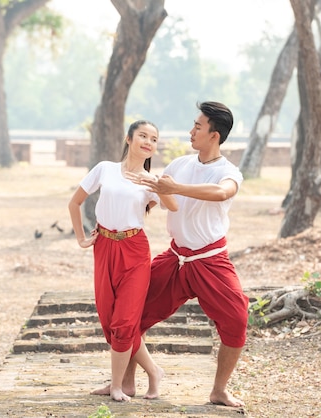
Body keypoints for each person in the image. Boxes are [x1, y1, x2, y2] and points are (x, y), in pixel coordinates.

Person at [125, 101, 249, 407]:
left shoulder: (228, 172)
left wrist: (176, 188)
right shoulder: (179, 164)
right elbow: (150, 201)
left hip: (211, 260)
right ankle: (126, 381)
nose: (191, 131)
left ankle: (219, 390)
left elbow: (221, 193)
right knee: (130, 313)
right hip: (175, 258)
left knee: (237, 319)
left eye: (197, 126)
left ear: (214, 135)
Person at [68, 120, 177, 402]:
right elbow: (74, 202)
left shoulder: (151, 181)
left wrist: (160, 186)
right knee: (108, 319)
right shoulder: (105, 169)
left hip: (135, 249)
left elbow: (171, 206)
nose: (148, 141)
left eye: (154, 138)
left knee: (125, 321)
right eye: (143, 135)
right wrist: (82, 238)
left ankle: (117, 386)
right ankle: (153, 372)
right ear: (128, 139)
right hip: (103, 246)